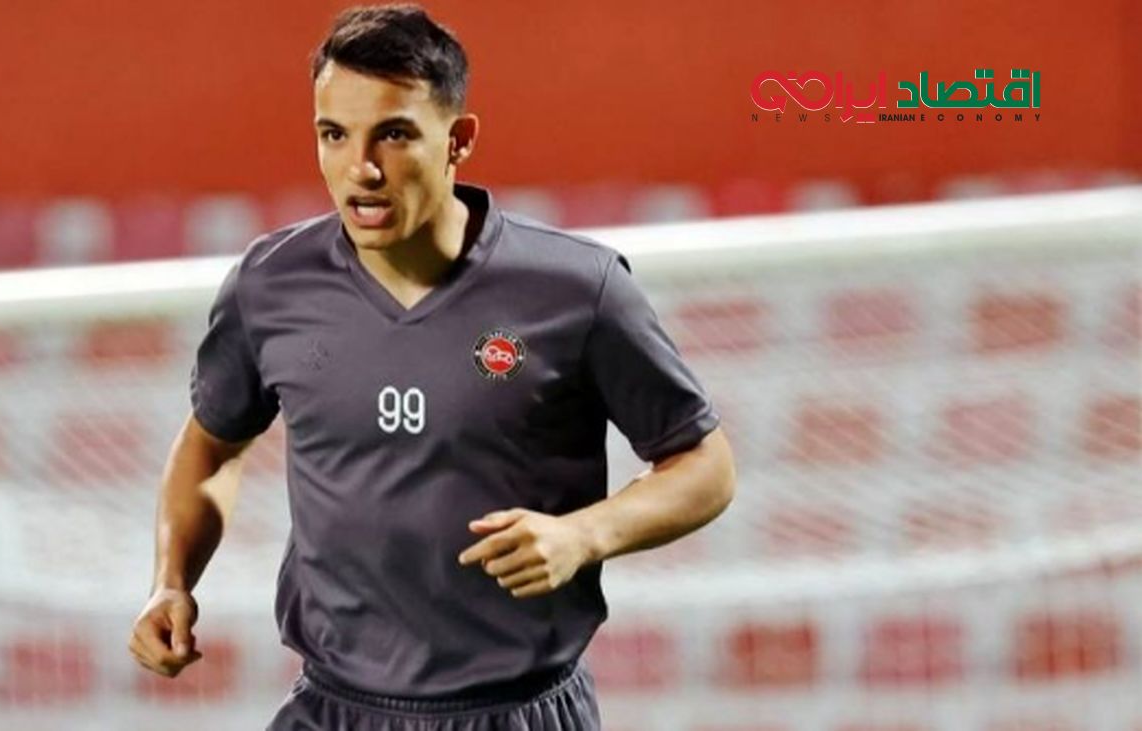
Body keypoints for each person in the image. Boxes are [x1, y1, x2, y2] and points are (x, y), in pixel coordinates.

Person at [127, 5, 736, 729]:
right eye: (334, 134)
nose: (362, 169)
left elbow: (706, 466)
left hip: (515, 711)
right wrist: (172, 581)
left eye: (393, 134)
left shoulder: (577, 289)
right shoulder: (270, 284)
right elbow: (210, 447)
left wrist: (584, 535)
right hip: (333, 708)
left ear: (459, 140)